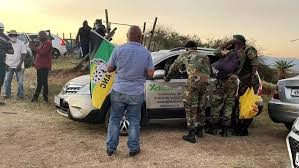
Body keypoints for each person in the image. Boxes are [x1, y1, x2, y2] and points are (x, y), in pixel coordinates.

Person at [106, 26, 154, 156]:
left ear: (127, 36)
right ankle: (133, 148)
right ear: (140, 37)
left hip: (118, 91)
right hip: (136, 92)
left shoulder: (118, 50)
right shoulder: (146, 53)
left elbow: (109, 69)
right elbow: (150, 74)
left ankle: (111, 148)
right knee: (134, 121)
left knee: (114, 119)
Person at [164, 41, 210, 143]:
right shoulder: (205, 56)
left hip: (193, 83)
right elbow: (205, 70)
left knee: (190, 107)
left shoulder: (185, 55)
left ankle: (191, 135)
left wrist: (167, 78)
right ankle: (200, 130)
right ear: (196, 48)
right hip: (206, 84)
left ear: (186, 49)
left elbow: (173, 67)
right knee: (201, 106)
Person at [208, 42, 242, 137]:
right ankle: (226, 130)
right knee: (229, 105)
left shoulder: (227, 53)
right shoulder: (240, 55)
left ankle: (213, 128)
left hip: (222, 81)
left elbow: (216, 51)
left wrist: (228, 42)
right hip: (233, 81)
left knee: (216, 103)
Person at [233, 35, 259, 136]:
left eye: (234, 41)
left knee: (249, 104)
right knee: (242, 103)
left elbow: (254, 64)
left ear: (240, 42)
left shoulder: (249, 49)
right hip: (244, 81)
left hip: (250, 81)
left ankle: (244, 128)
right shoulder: (239, 51)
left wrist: (251, 79)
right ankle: (241, 127)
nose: (233, 42)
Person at [31, 31, 52, 103]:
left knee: (44, 82)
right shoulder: (42, 43)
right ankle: (35, 97)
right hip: (40, 66)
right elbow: (38, 54)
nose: (38, 38)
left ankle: (45, 98)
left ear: (43, 36)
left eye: (39, 37)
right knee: (39, 82)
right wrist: (35, 63)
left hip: (44, 66)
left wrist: (34, 48)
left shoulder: (48, 43)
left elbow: (43, 52)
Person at [4, 30, 27, 99]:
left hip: (19, 65)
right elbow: (4, 54)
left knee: (20, 82)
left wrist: (20, 64)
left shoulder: (21, 43)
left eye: (14, 35)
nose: (13, 37)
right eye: (11, 36)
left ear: (16, 36)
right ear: (9, 36)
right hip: (9, 65)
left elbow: (24, 54)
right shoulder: (6, 43)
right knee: (7, 80)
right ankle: (7, 94)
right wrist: (5, 63)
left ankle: (20, 95)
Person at [0, 21, 14, 105]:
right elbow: (11, 51)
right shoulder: (6, 39)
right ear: (3, 29)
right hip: (1, 62)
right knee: (0, 81)